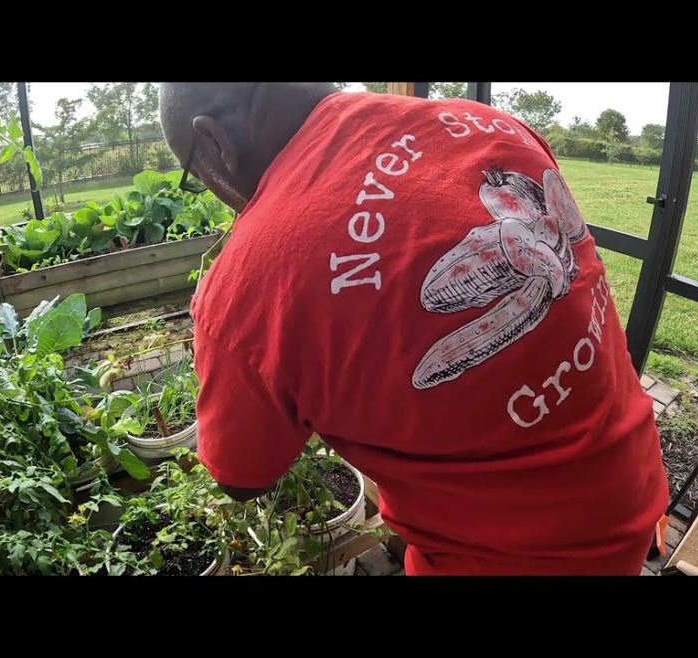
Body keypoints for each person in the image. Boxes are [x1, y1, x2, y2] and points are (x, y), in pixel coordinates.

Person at [159, 83, 668, 575]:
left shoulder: (245, 287)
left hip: (512, 559)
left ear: (213, 143)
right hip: (636, 482)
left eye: (191, 173)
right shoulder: (487, 122)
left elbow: (240, 479)